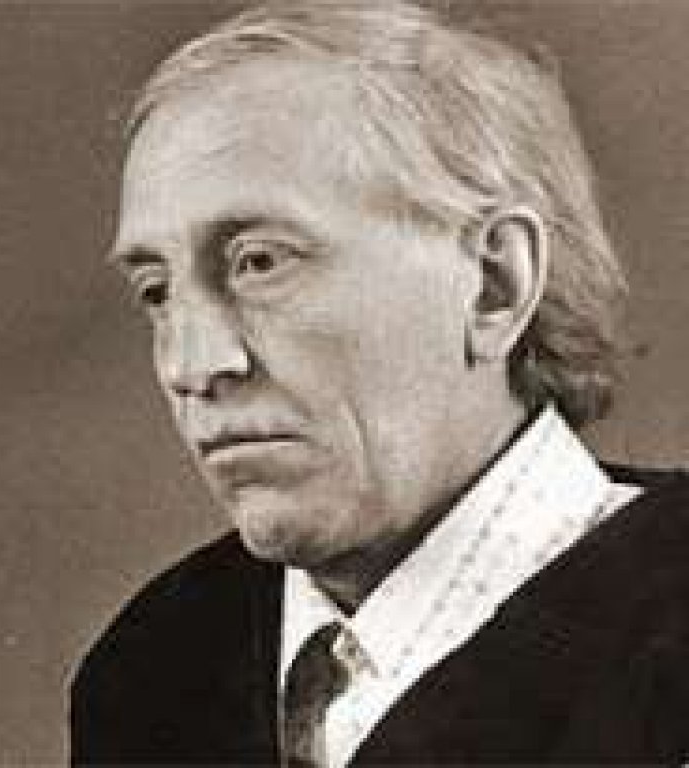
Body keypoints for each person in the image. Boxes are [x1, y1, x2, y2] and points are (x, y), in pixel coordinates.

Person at [70, 0, 689, 763]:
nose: (190, 366)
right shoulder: (151, 668)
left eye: (260, 262)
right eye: (157, 291)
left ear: (493, 284)